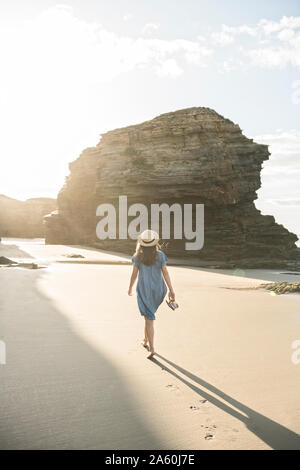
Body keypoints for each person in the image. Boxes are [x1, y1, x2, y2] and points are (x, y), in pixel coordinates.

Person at [128, 229, 175, 359]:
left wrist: (130, 288)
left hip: (144, 290)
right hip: (158, 290)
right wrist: (171, 289)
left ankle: (152, 348)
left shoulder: (137, 256)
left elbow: (134, 275)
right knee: (148, 317)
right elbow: (165, 272)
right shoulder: (160, 255)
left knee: (149, 318)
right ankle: (145, 340)